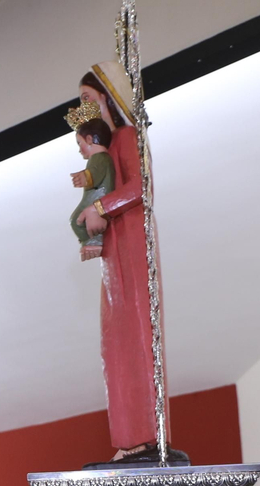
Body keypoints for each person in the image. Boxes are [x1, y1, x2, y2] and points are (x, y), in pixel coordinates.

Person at [71, 61, 186, 465]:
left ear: (106, 97)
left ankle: (149, 435)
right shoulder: (106, 146)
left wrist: (102, 205)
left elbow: (141, 186)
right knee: (115, 340)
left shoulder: (127, 135)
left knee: (138, 331)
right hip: (113, 246)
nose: (83, 107)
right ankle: (128, 437)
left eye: (88, 99)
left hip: (133, 237)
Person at [67, 107, 113, 262]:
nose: (79, 150)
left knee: (77, 220)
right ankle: (91, 241)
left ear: (89, 139)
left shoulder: (100, 158)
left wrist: (86, 177)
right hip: (94, 199)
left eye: (79, 143)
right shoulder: (97, 159)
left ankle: (94, 240)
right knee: (76, 220)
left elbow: (96, 173)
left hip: (99, 199)